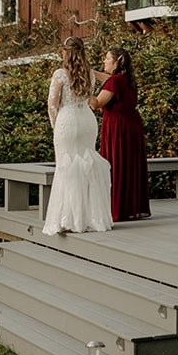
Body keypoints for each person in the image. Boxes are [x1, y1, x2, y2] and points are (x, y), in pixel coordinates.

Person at [43, 37, 113, 236]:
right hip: (87, 121)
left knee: (67, 167)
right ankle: (90, 216)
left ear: (65, 52)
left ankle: (69, 218)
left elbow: (52, 105)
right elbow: (109, 80)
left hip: (67, 120)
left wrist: (55, 127)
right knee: (86, 166)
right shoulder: (90, 74)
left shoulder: (60, 74)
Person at [93, 45, 150, 222]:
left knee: (115, 164)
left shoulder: (114, 82)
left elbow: (95, 104)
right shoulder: (126, 79)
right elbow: (108, 79)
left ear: (116, 63)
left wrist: (83, 88)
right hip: (132, 124)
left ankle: (116, 209)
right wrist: (91, 73)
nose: (104, 61)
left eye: (107, 58)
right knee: (129, 165)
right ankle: (130, 207)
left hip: (117, 126)